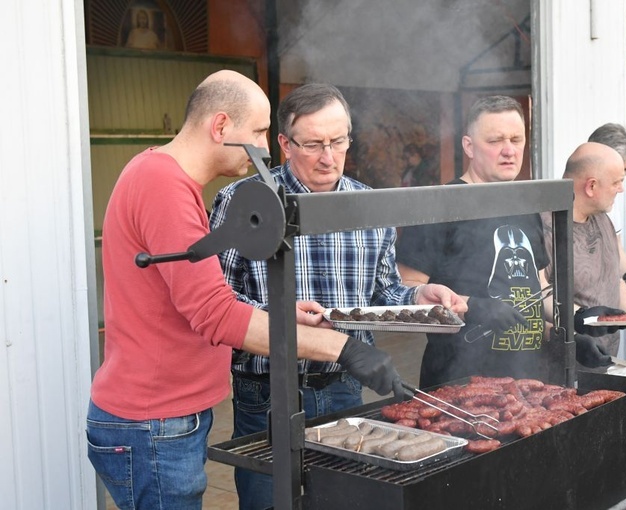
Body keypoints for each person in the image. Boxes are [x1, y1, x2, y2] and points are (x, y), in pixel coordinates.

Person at [86, 71, 405, 510]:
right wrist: (342, 347)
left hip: (165, 420)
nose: (263, 147)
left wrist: (284, 314)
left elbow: (202, 299)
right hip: (154, 423)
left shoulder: (165, 179)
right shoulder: (164, 185)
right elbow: (216, 313)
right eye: (258, 131)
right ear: (220, 127)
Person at [209, 83, 466, 510]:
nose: (328, 157)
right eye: (313, 145)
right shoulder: (243, 202)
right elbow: (217, 302)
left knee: (344, 501)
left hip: (346, 386)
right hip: (268, 391)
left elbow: (383, 293)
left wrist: (420, 293)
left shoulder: (368, 205)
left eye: (338, 141)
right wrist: (278, 314)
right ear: (285, 144)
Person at [395, 96, 619, 387]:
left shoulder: (525, 207)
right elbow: (405, 294)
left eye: (516, 139)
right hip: (459, 386)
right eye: (495, 141)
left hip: (528, 383)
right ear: (469, 146)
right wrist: (472, 306)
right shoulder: (439, 205)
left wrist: (575, 323)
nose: (509, 151)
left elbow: (536, 290)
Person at [542, 142, 626, 361]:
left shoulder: (603, 220)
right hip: (562, 366)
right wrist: (576, 324)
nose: (621, 189)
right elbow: (538, 296)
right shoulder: (543, 227)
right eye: (617, 182)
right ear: (591, 186)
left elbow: (614, 279)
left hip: (605, 361)